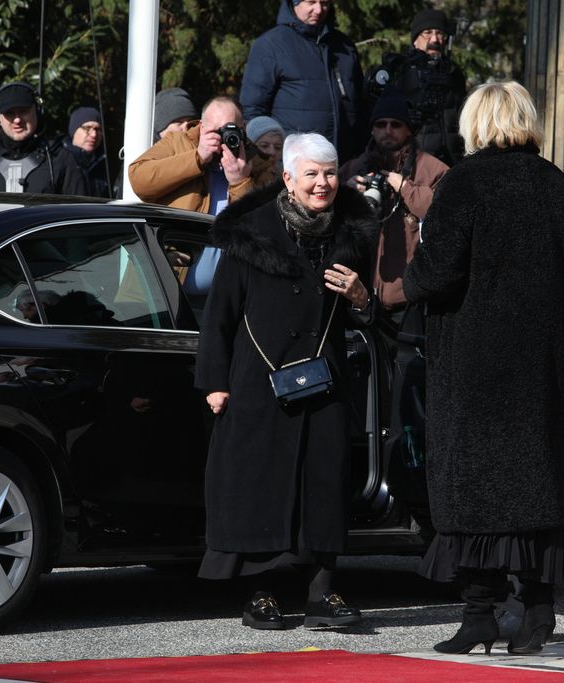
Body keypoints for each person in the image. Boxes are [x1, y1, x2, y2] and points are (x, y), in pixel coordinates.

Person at [403, 81, 564, 656]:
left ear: (477, 123)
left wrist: (405, 281)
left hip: (476, 369)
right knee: (539, 492)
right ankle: (537, 616)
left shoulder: (464, 184)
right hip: (546, 369)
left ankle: (479, 616)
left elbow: (435, 274)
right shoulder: (560, 187)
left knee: (472, 492)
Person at [194, 132, 377, 631]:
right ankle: (263, 592)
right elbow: (220, 314)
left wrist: (361, 296)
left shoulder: (352, 231)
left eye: (331, 173)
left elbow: (370, 315)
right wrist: (214, 381)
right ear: (289, 179)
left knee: (323, 482)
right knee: (262, 483)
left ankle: (322, 591)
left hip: (325, 381)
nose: (323, 183)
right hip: (259, 381)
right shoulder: (252, 231)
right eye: (313, 174)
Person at [340, 87, 449, 316]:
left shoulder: (433, 171)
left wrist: (404, 187)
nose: (388, 130)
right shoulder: (353, 169)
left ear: (408, 129)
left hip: (409, 300)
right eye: (380, 124)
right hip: (360, 295)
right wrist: (345, 192)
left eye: (395, 124)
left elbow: (444, 213)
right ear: (371, 129)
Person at [240, 0, 365, 160]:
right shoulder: (270, 45)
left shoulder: (345, 48)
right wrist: (264, 162)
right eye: (311, 2)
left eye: (325, 3)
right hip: (290, 167)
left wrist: (359, 159)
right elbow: (252, 112)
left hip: (344, 167)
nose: (319, 9)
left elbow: (361, 109)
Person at [128, 96, 275, 215]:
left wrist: (240, 182)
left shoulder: (258, 163)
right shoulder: (178, 142)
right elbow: (138, 180)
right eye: (216, 131)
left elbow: (263, 227)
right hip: (178, 248)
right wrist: (197, 158)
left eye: (230, 130)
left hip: (229, 251)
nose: (223, 137)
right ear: (201, 126)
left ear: (243, 128)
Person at [365, 8, 467, 165]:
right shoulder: (400, 72)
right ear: (415, 39)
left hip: (452, 163)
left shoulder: (454, 74)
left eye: (440, 33)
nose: (435, 39)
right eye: (427, 32)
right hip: (415, 164)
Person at [0, 82, 87, 195]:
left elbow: (78, 214)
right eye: (10, 113)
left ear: (37, 112)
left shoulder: (59, 158)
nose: (17, 120)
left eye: (23, 111)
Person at [63, 106, 111, 198]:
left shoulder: (105, 166)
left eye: (98, 129)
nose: (94, 134)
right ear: (74, 130)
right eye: (87, 128)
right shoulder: (58, 162)